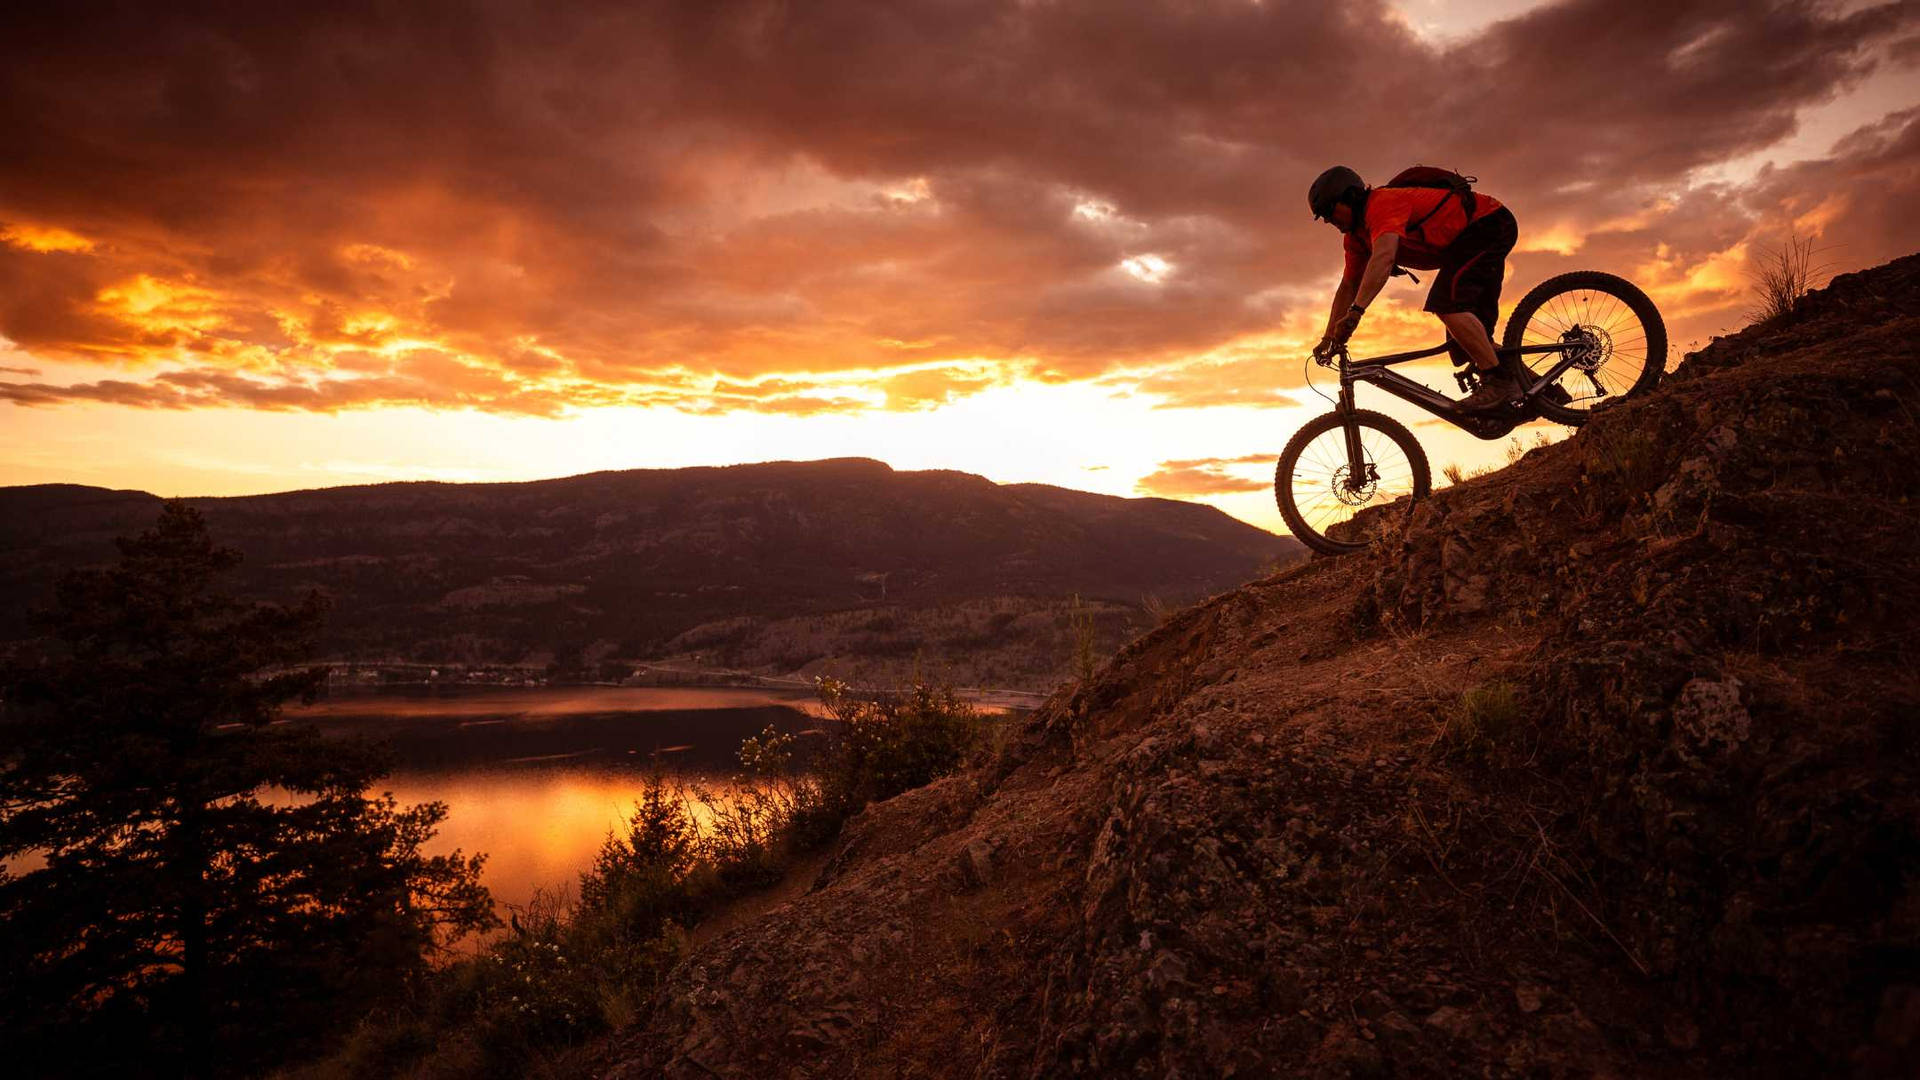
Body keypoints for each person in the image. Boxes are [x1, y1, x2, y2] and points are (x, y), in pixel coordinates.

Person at [1307, 165, 1521, 411]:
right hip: (1466, 243)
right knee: (1465, 343)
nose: (1327, 220)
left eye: (1329, 212)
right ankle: (1535, 387)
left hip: (1488, 224)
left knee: (1447, 306)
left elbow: (1384, 259)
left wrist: (1356, 313)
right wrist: (1328, 337)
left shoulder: (1381, 205)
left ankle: (1499, 383)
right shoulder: (1356, 238)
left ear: (1350, 197)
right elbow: (1349, 285)